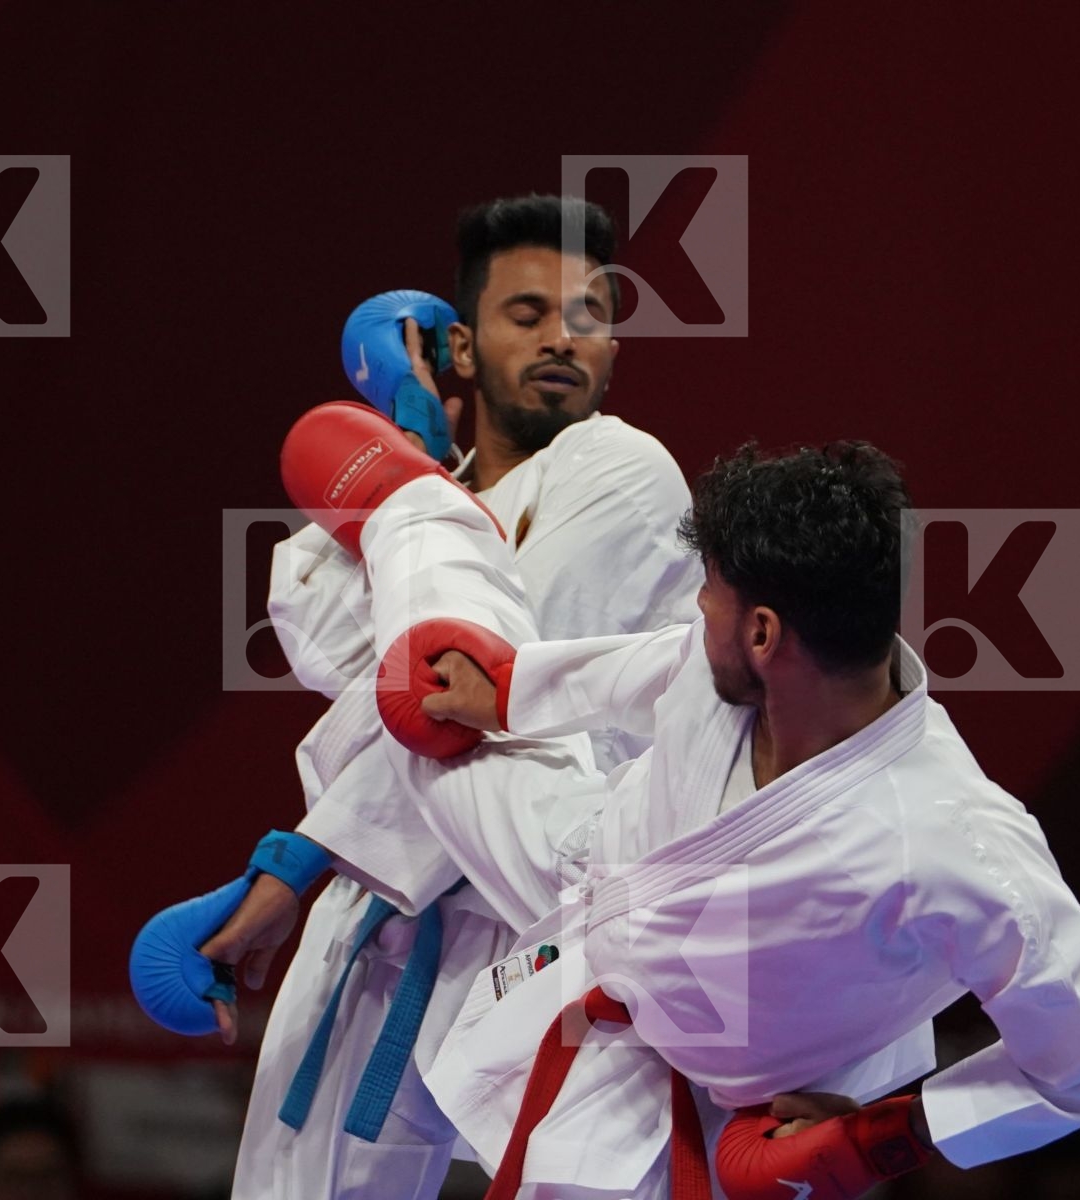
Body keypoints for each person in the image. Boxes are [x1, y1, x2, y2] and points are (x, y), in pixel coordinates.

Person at [297, 432, 1080, 1198]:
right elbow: (650, 667)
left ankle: (413, 520)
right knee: (428, 692)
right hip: (586, 867)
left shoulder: (953, 843)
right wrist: (508, 690)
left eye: (708, 591)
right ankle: (413, 506)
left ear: (763, 634)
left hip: (717, 1098)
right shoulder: (751, 659)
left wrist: (887, 1135)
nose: (696, 608)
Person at [187, 195, 705, 1200]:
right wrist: (412, 462)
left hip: (552, 896)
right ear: (459, 347)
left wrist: (292, 866)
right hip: (389, 898)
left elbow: (457, 685)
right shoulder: (414, 507)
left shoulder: (622, 469)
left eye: (590, 317)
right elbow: (327, 644)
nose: (562, 339)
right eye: (528, 313)